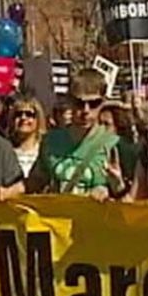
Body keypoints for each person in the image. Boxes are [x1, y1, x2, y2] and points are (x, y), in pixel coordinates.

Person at [25, 68, 124, 201]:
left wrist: (115, 189)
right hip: (59, 219)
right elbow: (32, 185)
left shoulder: (115, 145)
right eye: (79, 103)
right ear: (69, 101)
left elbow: (134, 202)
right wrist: (2, 192)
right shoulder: (51, 141)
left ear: (103, 102)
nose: (86, 111)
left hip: (95, 220)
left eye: (94, 104)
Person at [99, 101, 140, 185]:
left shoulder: (127, 151)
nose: (101, 129)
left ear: (117, 126)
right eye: (99, 124)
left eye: (106, 124)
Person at [8, 96, 47, 178]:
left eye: (29, 114)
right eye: (18, 114)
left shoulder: (46, 149)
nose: (23, 118)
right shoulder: (5, 149)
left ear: (38, 119)